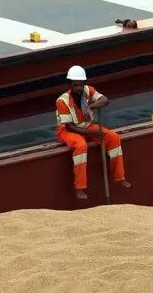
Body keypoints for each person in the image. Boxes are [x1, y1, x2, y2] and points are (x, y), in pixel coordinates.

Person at [56, 65, 131, 200]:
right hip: (68, 131)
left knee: (113, 137)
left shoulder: (88, 90)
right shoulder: (62, 101)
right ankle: (80, 187)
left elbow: (105, 100)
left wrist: (90, 107)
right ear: (70, 85)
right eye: (75, 85)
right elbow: (69, 127)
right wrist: (91, 134)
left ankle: (119, 177)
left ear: (84, 83)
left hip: (86, 126)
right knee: (81, 145)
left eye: (81, 85)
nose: (78, 88)